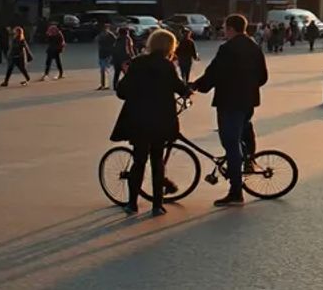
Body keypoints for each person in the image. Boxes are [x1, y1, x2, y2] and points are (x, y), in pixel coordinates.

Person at [111, 29, 192, 216]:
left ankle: (132, 204)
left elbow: (122, 92)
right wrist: (189, 91)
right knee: (157, 161)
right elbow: (181, 89)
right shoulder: (167, 66)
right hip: (162, 121)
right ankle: (157, 205)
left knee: (139, 161)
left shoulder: (138, 63)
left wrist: (126, 74)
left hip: (139, 120)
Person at [192, 14, 268, 206]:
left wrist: (196, 86)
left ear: (232, 28)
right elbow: (263, 76)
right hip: (248, 101)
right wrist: (249, 87)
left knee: (231, 144)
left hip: (229, 102)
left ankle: (236, 191)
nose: (224, 31)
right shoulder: (254, 46)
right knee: (241, 133)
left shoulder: (227, 49)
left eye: (225, 28)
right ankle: (248, 160)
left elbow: (214, 72)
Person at [96, 23, 117, 90]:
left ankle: (105, 85)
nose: (105, 30)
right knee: (103, 70)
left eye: (106, 28)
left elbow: (115, 42)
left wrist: (111, 50)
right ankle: (103, 85)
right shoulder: (101, 35)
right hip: (102, 54)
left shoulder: (110, 35)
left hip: (107, 54)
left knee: (104, 70)